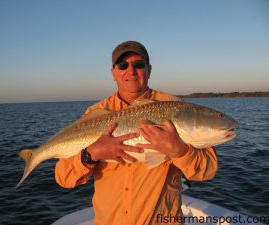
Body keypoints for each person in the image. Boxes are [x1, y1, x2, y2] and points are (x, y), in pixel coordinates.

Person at [55, 41, 218, 225]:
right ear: (113, 73)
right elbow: (63, 177)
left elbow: (208, 170)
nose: (131, 71)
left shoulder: (174, 106)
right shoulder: (95, 113)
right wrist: (91, 154)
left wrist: (179, 151)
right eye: (123, 65)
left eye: (139, 64)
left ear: (149, 69)